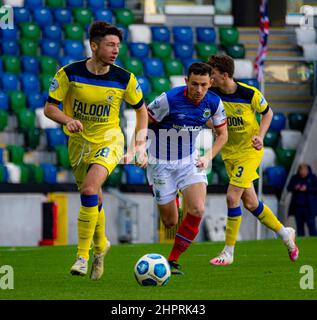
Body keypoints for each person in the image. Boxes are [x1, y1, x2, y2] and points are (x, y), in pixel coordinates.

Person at [44, 22, 148, 280]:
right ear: (94, 46)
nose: (116, 50)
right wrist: (67, 120)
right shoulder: (69, 73)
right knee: (93, 197)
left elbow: (142, 110)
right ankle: (101, 245)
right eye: (110, 45)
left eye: (118, 46)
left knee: (90, 189)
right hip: (79, 143)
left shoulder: (125, 78)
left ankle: (83, 255)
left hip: (110, 140)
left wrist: (139, 144)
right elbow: (49, 108)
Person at [207, 54, 299, 265]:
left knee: (232, 197)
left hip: (249, 152)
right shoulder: (212, 94)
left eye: (213, 74)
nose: (210, 78)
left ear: (225, 75)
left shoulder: (249, 93)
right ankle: (285, 234)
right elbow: (210, 120)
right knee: (250, 203)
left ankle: (228, 251)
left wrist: (261, 136)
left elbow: (267, 113)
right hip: (230, 153)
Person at [146, 62, 228, 274]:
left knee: (198, 209)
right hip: (160, 164)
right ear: (186, 82)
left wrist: (208, 156)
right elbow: (143, 119)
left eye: (203, 85)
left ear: (210, 83)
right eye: (194, 84)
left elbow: (223, 135)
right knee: (170, 221)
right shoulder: (169, 99)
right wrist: (139, 147)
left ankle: (172, 260)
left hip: (189, 161)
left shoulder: (214, 102)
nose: (198, 90)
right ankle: (171, 195)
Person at [287, 163, 317, 236]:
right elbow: (289, 188)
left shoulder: (312, 178)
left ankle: (313, 240)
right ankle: (301, 240)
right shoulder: (295, 178)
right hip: (298, 207)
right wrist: (295, 187)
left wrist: (307, 188)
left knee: (311, 225)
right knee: (299, 226)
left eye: (304, 170)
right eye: (301, 170)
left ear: (307, 171)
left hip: (309, 207)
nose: (303, 172)